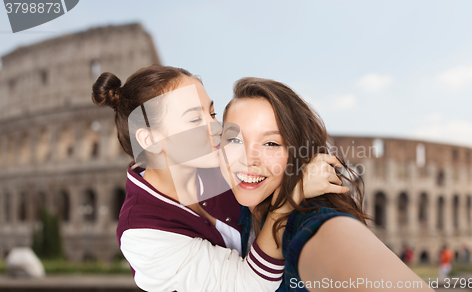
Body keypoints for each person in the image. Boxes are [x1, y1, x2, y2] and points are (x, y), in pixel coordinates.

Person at [91, 65, 348, 292]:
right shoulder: (143, 233)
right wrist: (289, 200)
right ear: (152, 140)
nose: (217, 129)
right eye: (194, 119)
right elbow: (248, 286)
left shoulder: (224, 163)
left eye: (212, 114)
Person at [219, 77, 435, 291]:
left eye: (271, 143)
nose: (248, 158)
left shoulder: (311, 221)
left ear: (298, 153)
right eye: (234, 139)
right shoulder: (226, 206)